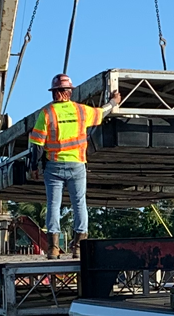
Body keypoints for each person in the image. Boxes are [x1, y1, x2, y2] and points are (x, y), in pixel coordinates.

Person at [28, 73, 121, 255]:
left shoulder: (47, 114)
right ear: (69, 92)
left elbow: (37, 145)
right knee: (79, 203)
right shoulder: (81, 111)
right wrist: (114, 102)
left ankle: (53, 248)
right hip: (77, 164)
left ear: (54, 93)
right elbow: (101, 113)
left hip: (54, 166)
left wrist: (33, 167)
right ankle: (79, 246)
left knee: (53, 205)